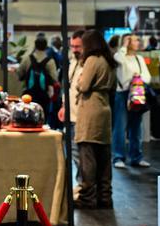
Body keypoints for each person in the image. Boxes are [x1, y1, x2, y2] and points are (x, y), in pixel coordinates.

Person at [74, 30, 117, 210]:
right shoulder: (109, 60)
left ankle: (87, 197)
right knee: (104, 156)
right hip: (105, 108)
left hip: (90, 109)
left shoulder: (92, 60)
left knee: (88, 155)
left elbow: (83, 86)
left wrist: (78, 81)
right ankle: (104, 196)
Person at [112, 33, 152, 169]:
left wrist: (139, 78)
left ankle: (136, 156)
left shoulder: (139, 58)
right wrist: (123, 46)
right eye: (134, 40)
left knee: (136, 127)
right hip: (122, 95)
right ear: (127, 41)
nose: (137, 42)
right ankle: (118, 157)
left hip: (137, 94)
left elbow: (148, 76)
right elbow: (119, 60)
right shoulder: (120, 57)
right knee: (120, 126)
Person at [58, 29, 85, 183]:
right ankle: (81, 185)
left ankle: (83, 186)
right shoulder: (73, 62)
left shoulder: (88, 63)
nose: (74, 49)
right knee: (74, 153)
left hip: (81, 116)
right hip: (71, 114)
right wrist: (63, 106)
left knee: (80, 155)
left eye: (78, 46)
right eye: (72, 46)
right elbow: (68, 88)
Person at [17, 35, 58, 111]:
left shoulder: (27, 59)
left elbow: (19, 74)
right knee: (42, 115)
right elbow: (54, 78)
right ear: (46, 46)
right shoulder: (50, 61)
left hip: (28, 94)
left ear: (35, 45)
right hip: (44, 96)